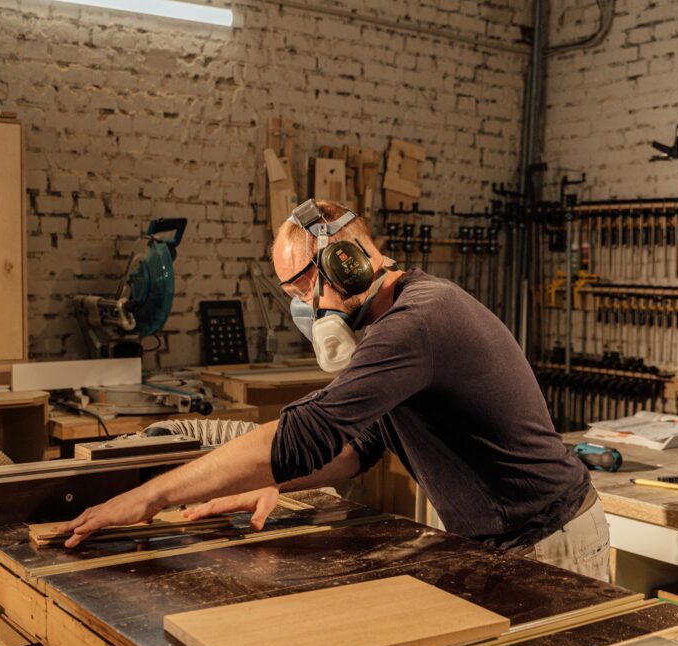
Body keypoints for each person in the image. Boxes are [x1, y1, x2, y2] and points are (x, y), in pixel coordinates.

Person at [58, 200, 611, 582]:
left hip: (546, 538)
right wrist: (273, 478)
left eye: (303, 284)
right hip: (502, 537)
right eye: (291, 291)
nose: (303, 303)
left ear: (344, 261)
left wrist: (148, 496)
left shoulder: (417, 322)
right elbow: (354, 448)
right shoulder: (396, 321)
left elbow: (311, 432)